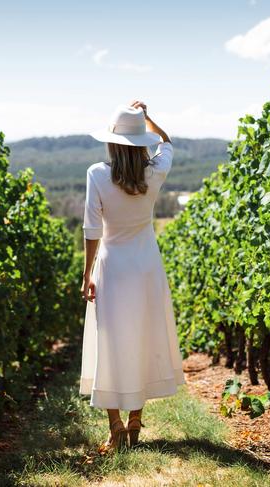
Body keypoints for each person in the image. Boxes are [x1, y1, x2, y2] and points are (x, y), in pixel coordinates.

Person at [78, 100, 186, 452]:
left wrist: (87, 274)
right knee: (140, 337)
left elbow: (92, 229)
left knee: (110, 340)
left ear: (111, 143)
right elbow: (166, 143)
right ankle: (136, 418)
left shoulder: (97, 174)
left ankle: (115, 428)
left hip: (112, 266)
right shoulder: (153, 174)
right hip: (146, 266)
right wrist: (149, 120)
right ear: (140, 143)